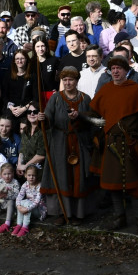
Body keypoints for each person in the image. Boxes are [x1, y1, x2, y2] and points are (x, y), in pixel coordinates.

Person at [89, 55, 138, 236]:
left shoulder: (134, 90)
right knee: (113, 185)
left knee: (135, 186)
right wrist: (78, 116)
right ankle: (120, 217)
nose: (116, 71)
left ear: (126, 70)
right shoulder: (105, 89)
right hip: (110, 145)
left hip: (131, 145)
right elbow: (92, 113)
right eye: (113, 68)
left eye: (119, 68)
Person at [43, 67, 99, 223]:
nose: (68, 83)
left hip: (80, 143)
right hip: (60, 143)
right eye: (65, 80)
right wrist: (43, 119)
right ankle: (63, 213)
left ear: (77, 81)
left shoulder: (86, 99)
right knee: (62, 176)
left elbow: (93, 121)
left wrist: (79, 117)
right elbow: (48, 118)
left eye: (71, 80)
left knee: (78, 178)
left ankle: (79, 213)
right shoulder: (55, 98)